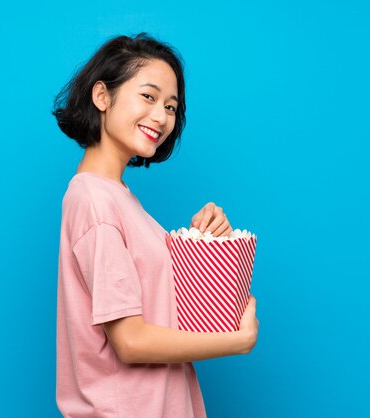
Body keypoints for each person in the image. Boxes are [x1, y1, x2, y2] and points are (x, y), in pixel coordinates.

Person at [52, 32, 259, 418]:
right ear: (102, 96)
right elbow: (130, 341)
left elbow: (161, 307)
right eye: (148, 97)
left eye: (171, 106)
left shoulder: (118, 199)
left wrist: (203, 242)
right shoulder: (96, 201)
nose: (161, 116)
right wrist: (236, 341)